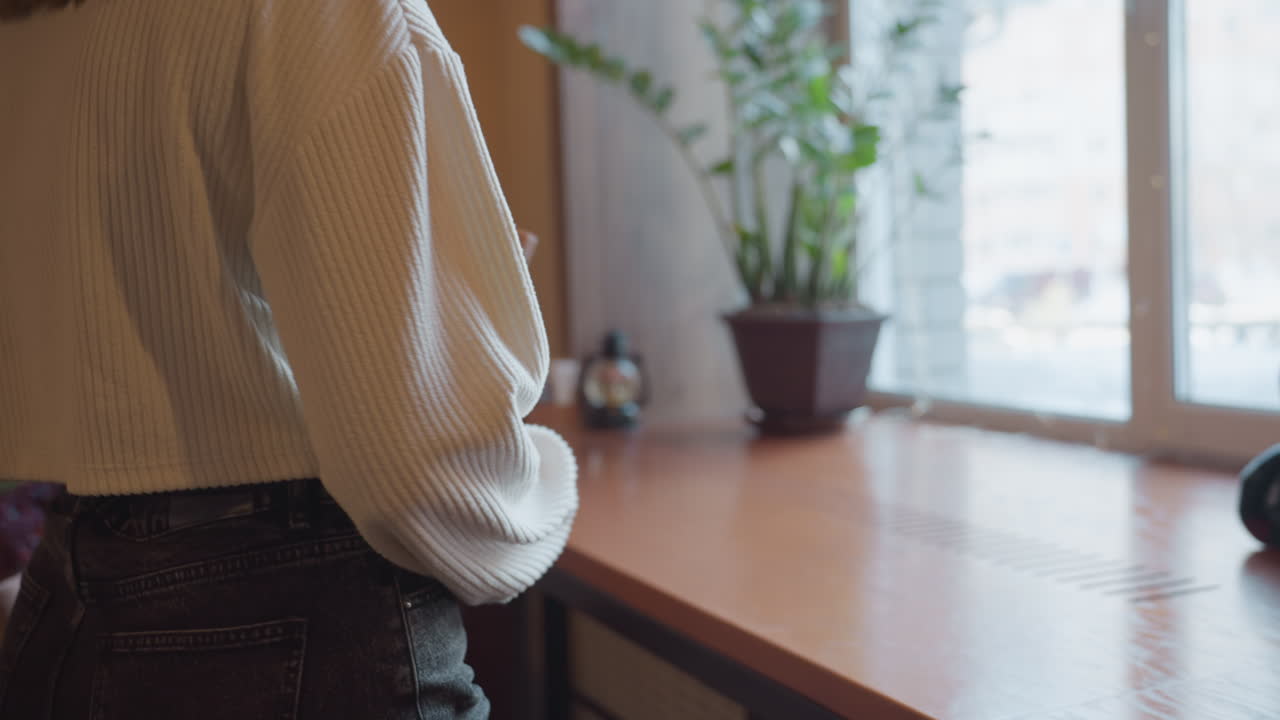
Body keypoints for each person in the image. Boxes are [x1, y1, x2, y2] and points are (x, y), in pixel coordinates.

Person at [0, 0, 579, 716]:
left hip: (60, 607)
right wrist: (540, 483)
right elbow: (420, 479)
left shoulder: (30, 21)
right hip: (292, 612)